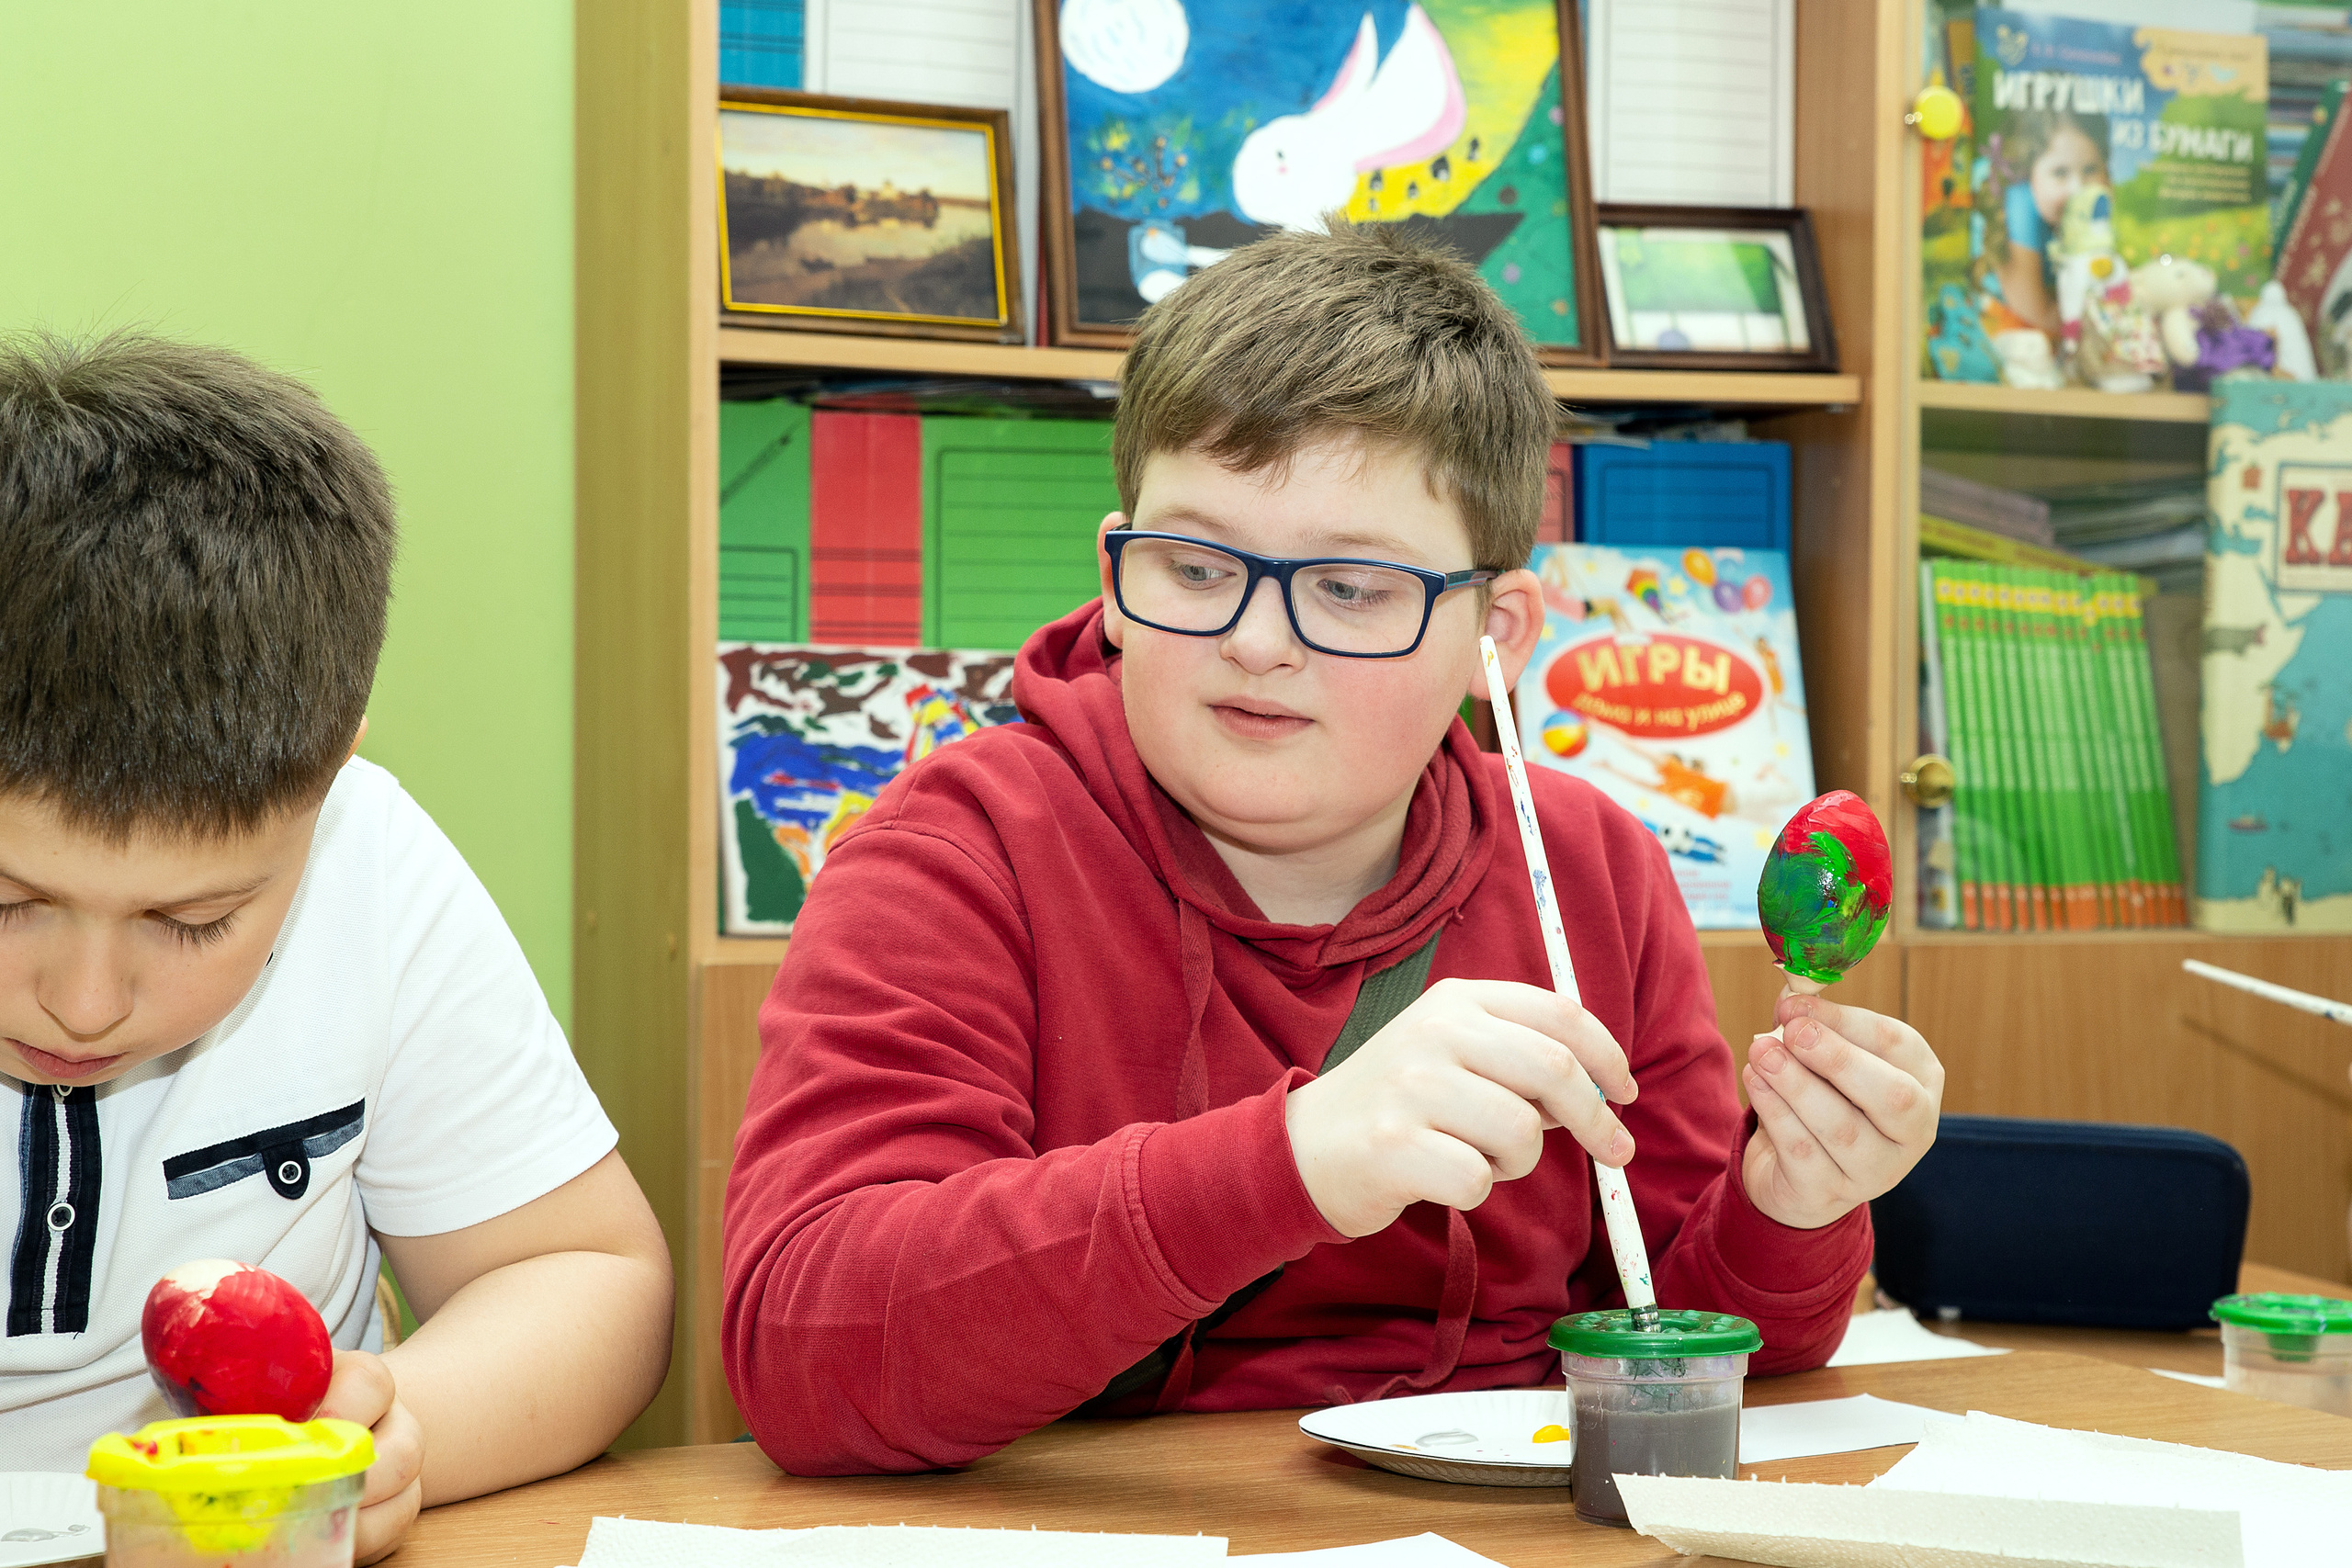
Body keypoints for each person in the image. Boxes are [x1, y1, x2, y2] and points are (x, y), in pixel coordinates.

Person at [723, 222, 1944, 1475]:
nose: (1257, 638)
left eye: (1351, 587)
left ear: (1496, 632)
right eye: (1195, 566)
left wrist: (1794, 1201)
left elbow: (1695, 1332)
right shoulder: (954, 854)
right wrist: (1293, 1158)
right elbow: (807, 1356)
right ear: (1114, 570)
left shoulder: (1590, 872)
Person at [0, 333, 673, 1562]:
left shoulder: (371, 858)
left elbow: (586, 1274)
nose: (83, 1002)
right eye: (5, 899)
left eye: (194, 921)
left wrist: (395, 1431)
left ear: (332, 766)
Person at [1978, 109, 2110, 337]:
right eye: (2060, 173)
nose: (2077, 190)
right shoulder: (2019, 202)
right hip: (2005, 313)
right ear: (2028, 173)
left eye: (2090, 170)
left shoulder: (2094, 204)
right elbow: (2036, 313)